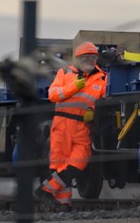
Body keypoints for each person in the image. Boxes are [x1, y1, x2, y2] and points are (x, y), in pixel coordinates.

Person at [35, 41, 107, 209]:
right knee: (59, 165)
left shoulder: (103, 77)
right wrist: (73, 86)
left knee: (79, 161)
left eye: (93, 57)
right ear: (78, 58)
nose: (90, 59)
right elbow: (53, 95)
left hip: (83, 126)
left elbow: (104, 100)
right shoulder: (65, 73)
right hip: (63, 123)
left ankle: (45, 190)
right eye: (86, 57)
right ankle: (63, 205)